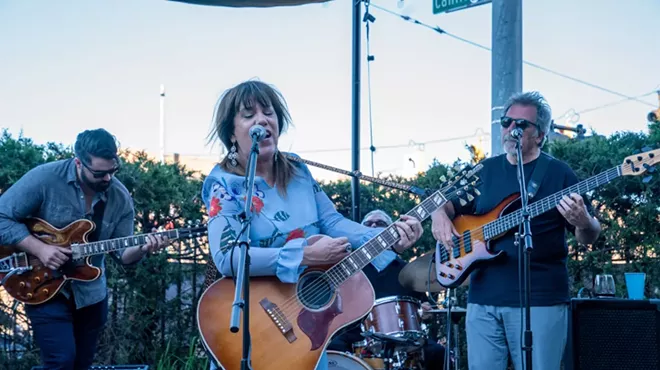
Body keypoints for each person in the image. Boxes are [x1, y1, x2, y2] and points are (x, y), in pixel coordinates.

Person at [201, 80, 424, 370]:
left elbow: (332, 222)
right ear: (231, 132)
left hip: (301, 331)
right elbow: (227, 257)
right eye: (248, 115)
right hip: (252, 324)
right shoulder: (223, 184)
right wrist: (304, 256)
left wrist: (386, 237)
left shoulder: (298, 172)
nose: (262, 120)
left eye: (269, 112)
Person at [430, 91, 602, 370]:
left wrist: (584, 221)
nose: (511, 129)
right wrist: (439, 215)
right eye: (506, 122)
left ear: (540, 135)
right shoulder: (483, 171)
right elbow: (443, 202)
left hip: (541, 301)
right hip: (483, 300)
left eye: (521, 125)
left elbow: (588, 235)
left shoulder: (559, 174)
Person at [0, 128, 169, 370]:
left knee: (81, 365)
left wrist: (143, 248)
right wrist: (40, 249)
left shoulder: (120, 199)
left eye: (113, 171)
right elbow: (2, 215)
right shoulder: (45, 179)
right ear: (79, 163)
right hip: (41, 286)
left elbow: (123, 255)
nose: (108, 179)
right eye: (100, 173)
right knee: (61, 361)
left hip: (91, 294)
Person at [327, 209, 448, 370]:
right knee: (332, 350)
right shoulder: (351, 268)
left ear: (393, 230)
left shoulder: (410, 271)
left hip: (402, 334)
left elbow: (424, 310)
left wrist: (425, 312)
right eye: (368, 224)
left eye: (381, 223)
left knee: (437, 352)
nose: (374, 225)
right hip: (356, 332)